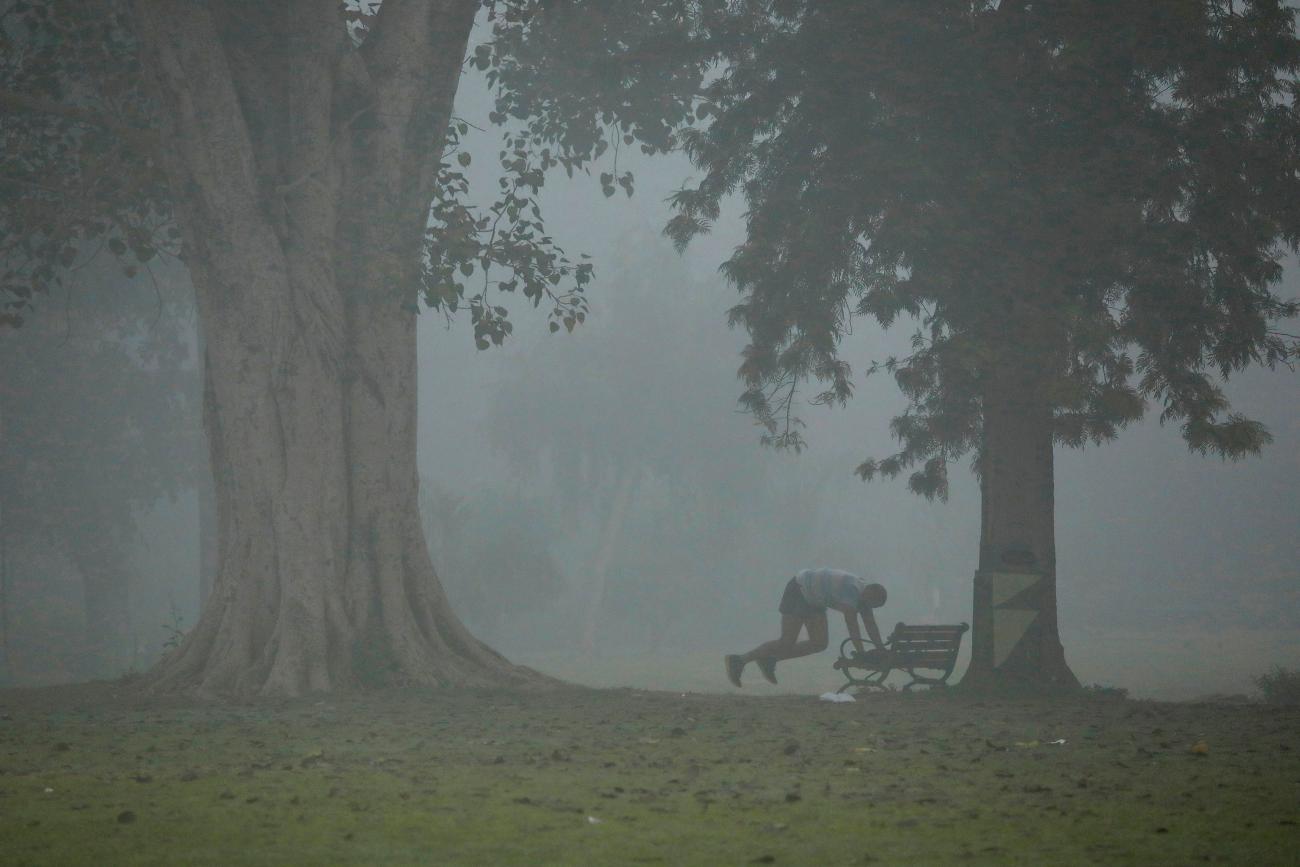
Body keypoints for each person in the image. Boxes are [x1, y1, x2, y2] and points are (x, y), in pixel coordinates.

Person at [724, 568, 887, 687]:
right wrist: (860, 652)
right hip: (799, 590)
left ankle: (770, 660)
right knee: (787, 641)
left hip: (815, 600)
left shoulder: (864, 595)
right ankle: (739, 660)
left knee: (820, 643)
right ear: (870, 594)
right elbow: (852, 623)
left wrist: (880, 649)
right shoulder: (852, 589)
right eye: (871, 604)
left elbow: (870, 624)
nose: (868, 607)